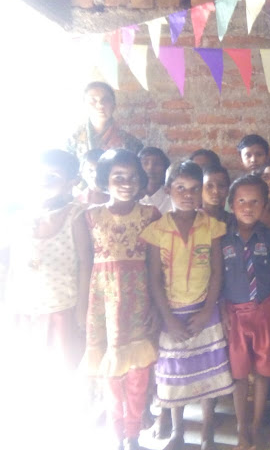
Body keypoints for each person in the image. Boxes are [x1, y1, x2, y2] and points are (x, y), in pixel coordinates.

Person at [141, 161, 234, 450]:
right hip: (172, 314)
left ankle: (207, 433)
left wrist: (207, 311)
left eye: (195, 189)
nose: (188, 195)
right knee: (175, 376)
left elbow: (217, 272)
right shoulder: (157, 230)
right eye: (180, 188)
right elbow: (154, 278)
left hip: (205, 311)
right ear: (168, 190)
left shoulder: (212, 227)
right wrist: (168, 319)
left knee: (209, 373)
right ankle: (178, 432)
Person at [80, 149, 160, 450]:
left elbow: (156, 266)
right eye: (118, 177)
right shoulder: (90, 216)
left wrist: (156, 306)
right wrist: (83, 309)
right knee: (111, 373)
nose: (127, 183)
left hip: (139, 300)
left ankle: (133, 435)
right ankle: (117, 437)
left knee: (139, 373)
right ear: (105, 179)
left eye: (132, 177)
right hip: (103, 304)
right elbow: (84, 265)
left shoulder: (151, 215)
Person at [1, 149, 90, 370]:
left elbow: (86, 263)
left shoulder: (75, 215)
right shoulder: (18, 216)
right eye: (39, 174)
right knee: (27, 364)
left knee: (61, 366)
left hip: (60, 305)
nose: (44, 180)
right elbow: (8, 262)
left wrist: (82, 308)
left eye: (53, 176)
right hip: (22, 304)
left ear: (71, 182)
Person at [220, 175, 270, 450]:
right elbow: (217, 278)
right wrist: (222, 311)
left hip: (264, 310)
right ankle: (241, 426)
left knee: (263, 370)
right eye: (242, 201)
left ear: (265, 204)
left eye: (255, 201)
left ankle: (257, 425)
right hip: (234, 314)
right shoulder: (221, 237)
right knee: (239, 373)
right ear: (231, 204)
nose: (248, 207)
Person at [67, 81, 143, 159]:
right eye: (93, 100)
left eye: (105, 100)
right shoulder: (73, 140)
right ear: (84, 105)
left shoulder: (131, 143)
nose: (100, 105)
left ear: (113, 105)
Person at [139, 147, 172, 214]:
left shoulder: (171, 197)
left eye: (157, 163)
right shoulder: (131, 196)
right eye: (145, 163)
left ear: (165, 169)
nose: (150, 167)